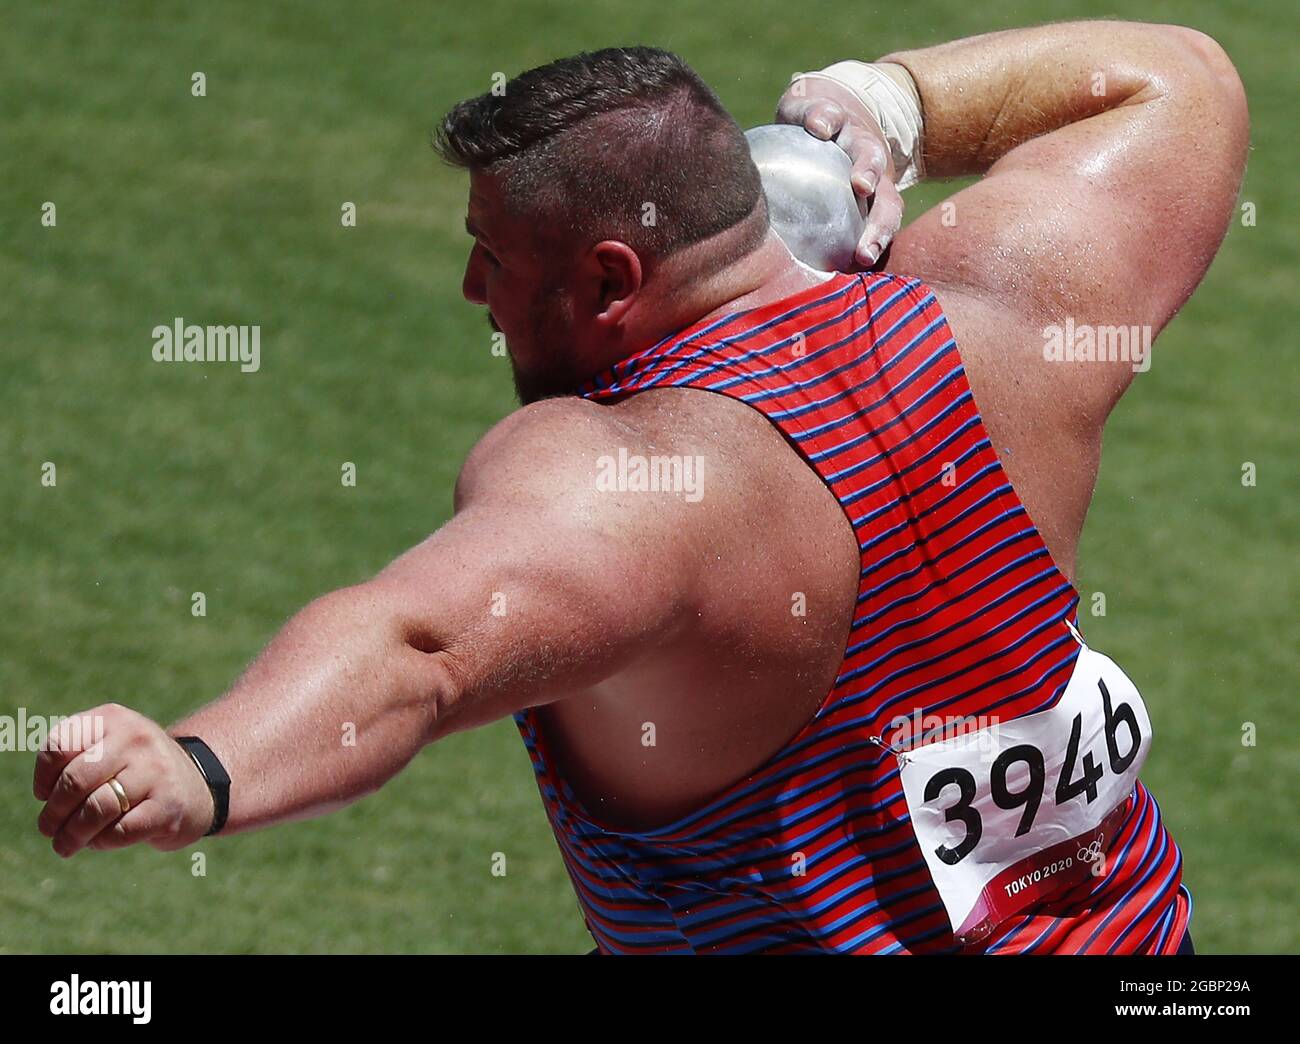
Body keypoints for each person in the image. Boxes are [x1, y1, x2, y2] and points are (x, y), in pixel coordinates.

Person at [34, 22, 1247, 954]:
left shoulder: (632, 485)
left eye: (495, 257)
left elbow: (416, 646)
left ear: (611, 279)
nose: (472, 292)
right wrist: (893, 101)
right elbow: (1174, 81)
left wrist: (202, 765)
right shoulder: (1008, 315)